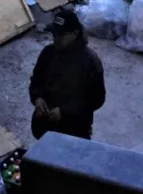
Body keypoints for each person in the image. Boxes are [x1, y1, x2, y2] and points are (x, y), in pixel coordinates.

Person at [29, 10, 106, 141]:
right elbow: (36, 80)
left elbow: (96, 99)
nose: (55, 38)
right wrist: (37, 98)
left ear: (75, 34)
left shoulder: (90, 62)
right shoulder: (48, 53)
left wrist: (65, 111)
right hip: (45, 126)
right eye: (54, 34)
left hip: (75, 129)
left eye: (60, 35)